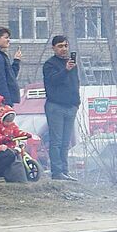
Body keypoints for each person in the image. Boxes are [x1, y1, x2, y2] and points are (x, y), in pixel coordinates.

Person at [42, 35, 81, 181]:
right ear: (53, 48)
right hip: (56, 106)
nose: (63, 49)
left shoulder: (71, 64)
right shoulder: (49, 64)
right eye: (60, 46)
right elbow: (53, 80)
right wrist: (65, 70)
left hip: (71, 106)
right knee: (56, 141)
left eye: (65, 45)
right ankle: (57, 172)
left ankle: (65, 171)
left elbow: (75, 83)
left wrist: (77, 102)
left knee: (66, 142)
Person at [0, 98, 29, 183]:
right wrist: (1, 143)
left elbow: (17, 131)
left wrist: (25, 134)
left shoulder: (9, 125)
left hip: (4, 147)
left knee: (15, 154)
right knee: (10, 155)